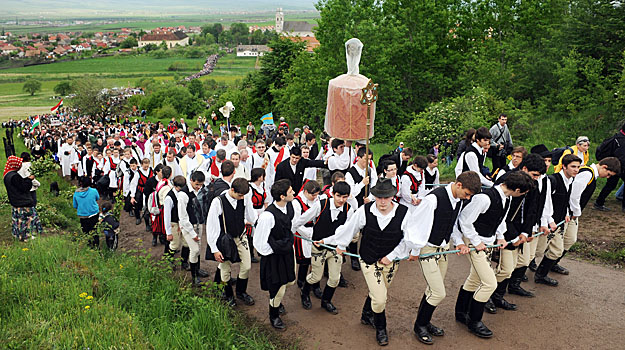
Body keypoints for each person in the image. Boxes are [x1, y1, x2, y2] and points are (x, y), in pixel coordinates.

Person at [388, 171, 481, 345]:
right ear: (458, 185)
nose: (467, 198)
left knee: (433, 290)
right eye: (467, 194)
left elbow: (452, 223)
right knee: (439, 292)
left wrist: (459, 242)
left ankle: (425, 322)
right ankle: (419, 326)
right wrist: (415, 250)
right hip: (428, 248)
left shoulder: (459, 200)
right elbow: (416, 225)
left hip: (443, 248)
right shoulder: (433, 199)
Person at [317, 178, 411, 346]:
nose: (382, 201)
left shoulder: (404, 212)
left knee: (378, 291)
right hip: (369, 259)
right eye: (379, 197)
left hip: (391, 262)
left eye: (386, 197)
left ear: (393, 196)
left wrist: (392, 255)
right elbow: (349, 229)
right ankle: (381, 328)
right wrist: (338, 244)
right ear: (374, 196)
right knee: (381, 298)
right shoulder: (364, 210)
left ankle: (366, 314)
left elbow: (408, 239)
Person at [452, 171, 533, 339]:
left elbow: (500, 219)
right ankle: (475, 321)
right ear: (517, 189)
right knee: (489, 283)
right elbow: (465, 220)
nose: (523, 196)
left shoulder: (508, 198)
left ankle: (461, 312)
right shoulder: (484, 198)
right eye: (524, 193)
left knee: (475, 278)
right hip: (474, 242)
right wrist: (476, 241)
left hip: (487, 241)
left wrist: (501, 237)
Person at [486, 154, 545, 314]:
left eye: (538, 176)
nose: (536, 179)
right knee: (506, 268)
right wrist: (509, 236)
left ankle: (498, 295)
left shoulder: (533, 183)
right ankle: (487, 296)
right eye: (534, 175)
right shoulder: (507, 179)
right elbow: (500, 213)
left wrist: (527, 230)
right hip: (505, 231)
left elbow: (532, 208)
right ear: (524, 169)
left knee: (513, 266)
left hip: (520, 231)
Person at [294, 181, 355, 314]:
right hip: (318, 248)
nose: (341, 200)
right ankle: (304, 293)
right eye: (338, 196)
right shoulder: (321, 204)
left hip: (335, 248)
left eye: (345, 197)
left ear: (348, 196)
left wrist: (337, 243)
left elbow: (345, 233)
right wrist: (291, 229)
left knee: (334, 278)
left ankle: (326, 301)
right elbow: (302, 219)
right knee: (316, 277)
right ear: (332, 194)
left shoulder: (349, 210)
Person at [553, 156, 620, 275]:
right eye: (608, 174)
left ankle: (552, 264)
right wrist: (575, 212)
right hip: (568, 212)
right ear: (604, 167)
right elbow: (574, 195)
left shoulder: (592, 175)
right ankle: (542, 269)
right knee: (556, 241)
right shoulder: (587, 174)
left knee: (570, 240)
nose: (607, 177)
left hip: (573, 213)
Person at [253, 179, 297, 331]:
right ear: (282, 196)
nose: (294, 193)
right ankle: (274, 315)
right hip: (274, 257)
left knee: (288, 281)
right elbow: (259, 243)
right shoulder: (267, 216)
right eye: (291, 191)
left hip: (286, 252)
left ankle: (277, 302)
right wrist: (277, 249)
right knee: (278, 287)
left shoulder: (289, 206)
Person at [206, 177, 257, 306]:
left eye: (243, 196)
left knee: (246, 266)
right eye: (239, 195)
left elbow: (252, 216)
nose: (241, 198)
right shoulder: (218, 202)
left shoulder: (244, 198)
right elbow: (211, 226)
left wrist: (248, 204)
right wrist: (215, 249)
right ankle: (228, 294)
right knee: (225, 268)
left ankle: (241, 292)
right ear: (232, 189)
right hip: (225, 239)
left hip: (241, 236)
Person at [533, 154, 580, 287]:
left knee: (556, 250)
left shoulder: (570, 181)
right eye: (573, 167)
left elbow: (564, 200)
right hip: (548, 222)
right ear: (564, 166)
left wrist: (565, 213)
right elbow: (545, 201)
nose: (576, 170)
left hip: (558, 222)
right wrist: (547, 220)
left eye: (578, 167)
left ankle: (540, 274)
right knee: (536, 250)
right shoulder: (553, 180)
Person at [4, 156, 42, 242]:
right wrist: (30, 180)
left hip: (15, 201)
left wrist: (26, 179)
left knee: (18, 221)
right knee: (27, 220)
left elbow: (18, 185)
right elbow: (24, 188)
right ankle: (26, 236)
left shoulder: (7, 175)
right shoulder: (14, 176)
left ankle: (18, 235)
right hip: (23, 202)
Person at [292, 180, 321, 291]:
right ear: (305, 192)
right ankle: (301, 280)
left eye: (316, 195)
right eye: (312, 195)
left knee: (316, 260)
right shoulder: (297, 203)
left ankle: (315, 284)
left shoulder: (317, 200)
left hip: (315, 232)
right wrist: (310, 234)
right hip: (303, 233)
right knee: (305, 261)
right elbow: (296, 223)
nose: (314, 197)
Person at [73, 176, 101, 248]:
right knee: (94, 231)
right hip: (94, 214)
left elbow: (75, 205)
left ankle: (89, 247)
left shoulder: (76, 193)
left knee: (86, 232)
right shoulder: (94, 191)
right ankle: (96, 247)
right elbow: (97, 198)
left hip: (83, 216)